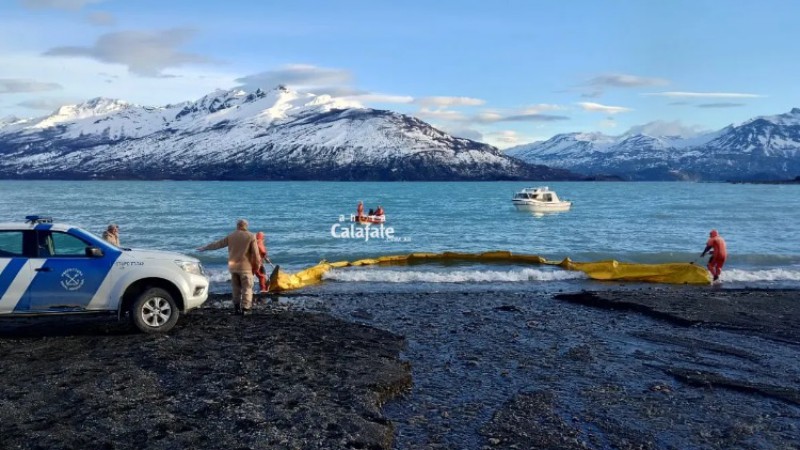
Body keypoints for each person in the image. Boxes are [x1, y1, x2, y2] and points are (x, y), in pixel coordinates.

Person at [197, 219, 261, 315]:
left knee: (236, 288)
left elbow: (218, 244)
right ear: (246, 226)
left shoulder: (231, 236)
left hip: (233, 267)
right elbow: (256, 254)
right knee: (247, 288)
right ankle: (245, 309)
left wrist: (205, 247)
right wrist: (257, 265)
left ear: (237, 226)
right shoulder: (251, 236)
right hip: (245, 267)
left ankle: (236, 308)